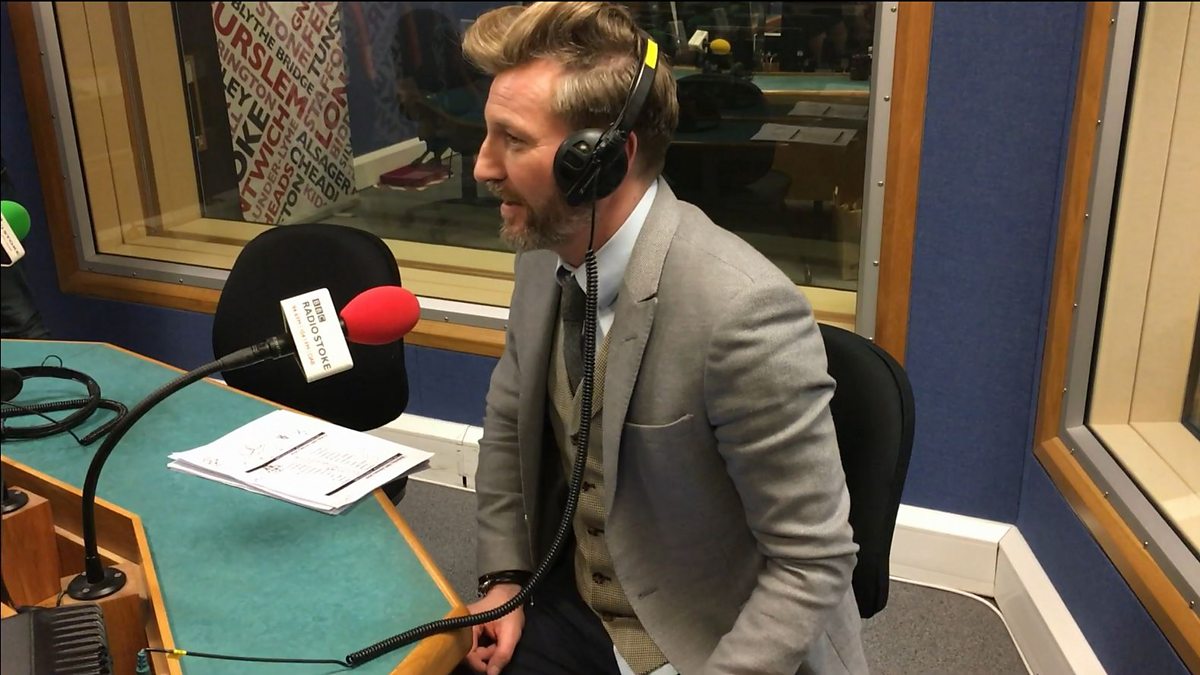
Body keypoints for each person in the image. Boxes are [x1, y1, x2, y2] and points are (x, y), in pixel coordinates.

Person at [460, 3, 866, 674]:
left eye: (513, 140)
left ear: (600, 161)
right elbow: (508, 425)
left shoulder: (742, 310)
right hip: (578, 601)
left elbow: (813, 559)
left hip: (710, 641)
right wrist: (503, 578)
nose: (482, 166)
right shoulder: (541, 253)